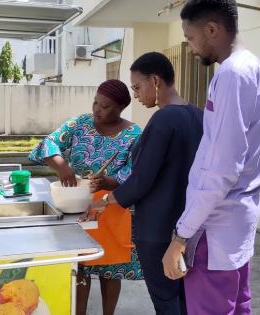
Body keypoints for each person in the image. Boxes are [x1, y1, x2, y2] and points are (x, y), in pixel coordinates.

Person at [161, 1, 260, 314]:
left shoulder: (231, 75)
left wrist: (181, 236)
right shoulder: (256, 69)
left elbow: (221, 167)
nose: (190, 48)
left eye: (190, 38)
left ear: (212, 30)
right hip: (236, 227)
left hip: (214, 231)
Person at [89, 52, 203, 315]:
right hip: (190, 227)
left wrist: (104, 201)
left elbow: (141, 179)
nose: (137, 95)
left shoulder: (163, 119)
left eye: (137, 87)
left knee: (165, 299)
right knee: (187, 297)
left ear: (155, 81)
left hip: (157, 229)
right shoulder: (199, 116)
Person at [28, 79, 143, 315]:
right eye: (95, 103)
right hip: (77, 206)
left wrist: (108, 181)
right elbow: (48, 143)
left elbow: (135, 171)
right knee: (80, 266)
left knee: (111, 267)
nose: (97, 110)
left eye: (105, 106)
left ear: (120, 108)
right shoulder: (80, 124)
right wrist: (62, 167)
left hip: (112, 208)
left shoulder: (134, 134)